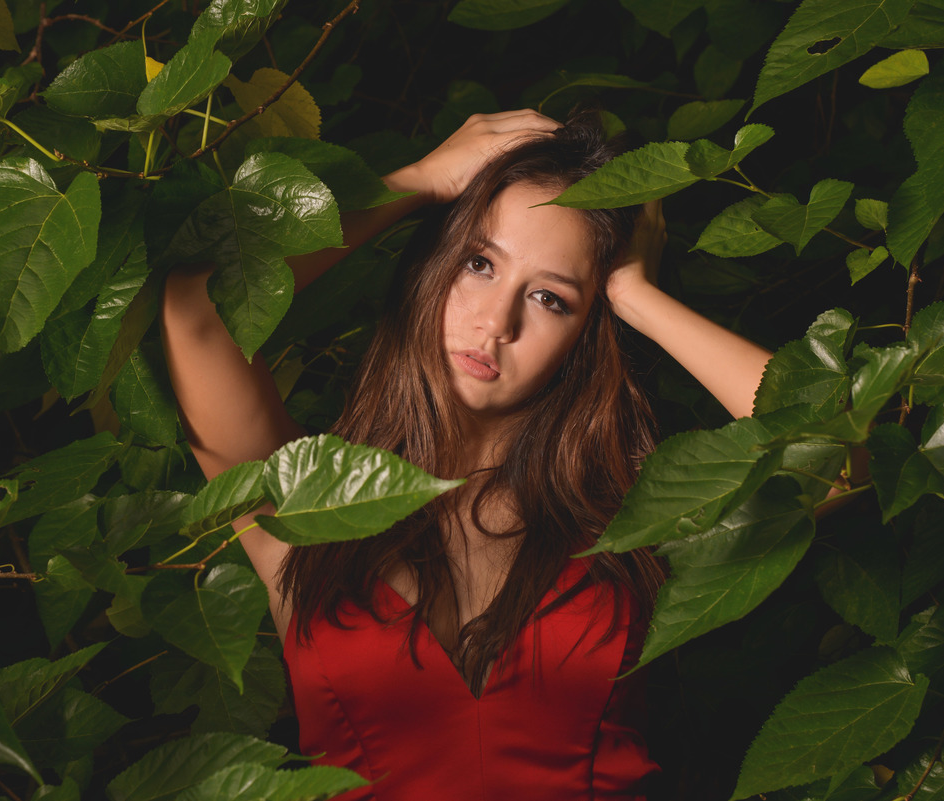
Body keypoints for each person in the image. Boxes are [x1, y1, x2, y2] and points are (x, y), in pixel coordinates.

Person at [162, 109, 773, 800]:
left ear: (585, 333)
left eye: (549, 298)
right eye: (478, 264)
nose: (496, 322)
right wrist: (418, 182)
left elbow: (832, 451)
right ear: (433, 266)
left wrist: (634, 295)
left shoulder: (635, 521)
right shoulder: (307, 508)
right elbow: (196, 310)